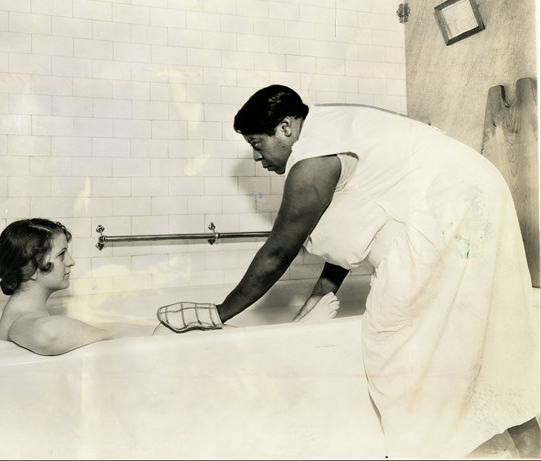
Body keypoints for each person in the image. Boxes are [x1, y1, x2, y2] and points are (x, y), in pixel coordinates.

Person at [156, 85, 540, 459]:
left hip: (449, 208)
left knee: (396, 343)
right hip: (478, 192)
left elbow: (277, 252)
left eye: (258, 145)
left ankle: (432, 450)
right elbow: (353, 238)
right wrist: (317, 299)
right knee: (486, 335)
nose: (259, 159)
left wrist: (220, 313)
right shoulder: (330, 125)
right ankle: (528, 447)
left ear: (286, 128)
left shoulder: (311, 165)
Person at [0, 218, 119, 355]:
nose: (71, 261)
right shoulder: (19, 318)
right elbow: (49, 334)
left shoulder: (23, 309)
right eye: (61, 254)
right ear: (30, 267)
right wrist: (110, 335)